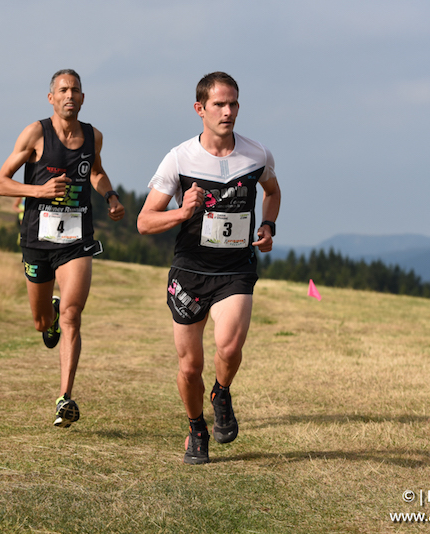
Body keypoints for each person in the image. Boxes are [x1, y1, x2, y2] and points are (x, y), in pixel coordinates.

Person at [137, 72, 281, 464]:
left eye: (233, 103)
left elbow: (272, 192)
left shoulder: (256, 154)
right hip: (189, 271)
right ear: (200, 109)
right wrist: (182, 211)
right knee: (189, 366)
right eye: (219, 104)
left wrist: (267, 226)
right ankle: (196, 427)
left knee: (230, 346)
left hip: (235, 269)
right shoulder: (180, 158)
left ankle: (221, 391)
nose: (228, 111)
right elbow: (145, 221)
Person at [0, 69, 125, 428]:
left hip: (76, 239)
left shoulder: (93, 136)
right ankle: (47, 317)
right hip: (37, 240)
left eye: (76, 90)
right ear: (51, 98)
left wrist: (110, 195)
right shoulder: (35, 134)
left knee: (72, 315)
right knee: (42, 322)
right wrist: (39, 191)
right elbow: (0, 183)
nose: (70, 95)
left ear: (83, 98)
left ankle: (64, 398)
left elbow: (95, 172)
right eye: (63, 90)